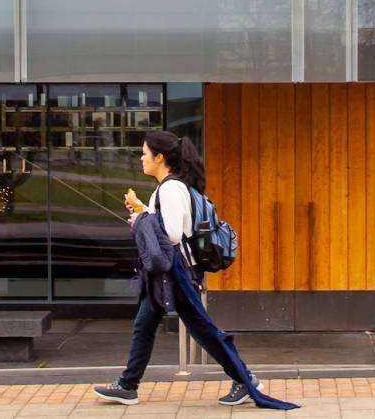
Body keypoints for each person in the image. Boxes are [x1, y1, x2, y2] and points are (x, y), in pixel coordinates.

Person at [91, 131, 297, 410]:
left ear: (159, 157)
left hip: (178, 274)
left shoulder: (170, 189)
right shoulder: (168, 188)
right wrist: (142, 211)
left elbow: (172, 234)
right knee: (145, 324)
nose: (141, 158)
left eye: (145, 153)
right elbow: (163, 225)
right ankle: (128, 385)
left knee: (203, 331)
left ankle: (245, 379)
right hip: (168, 273)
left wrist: (141, 219)